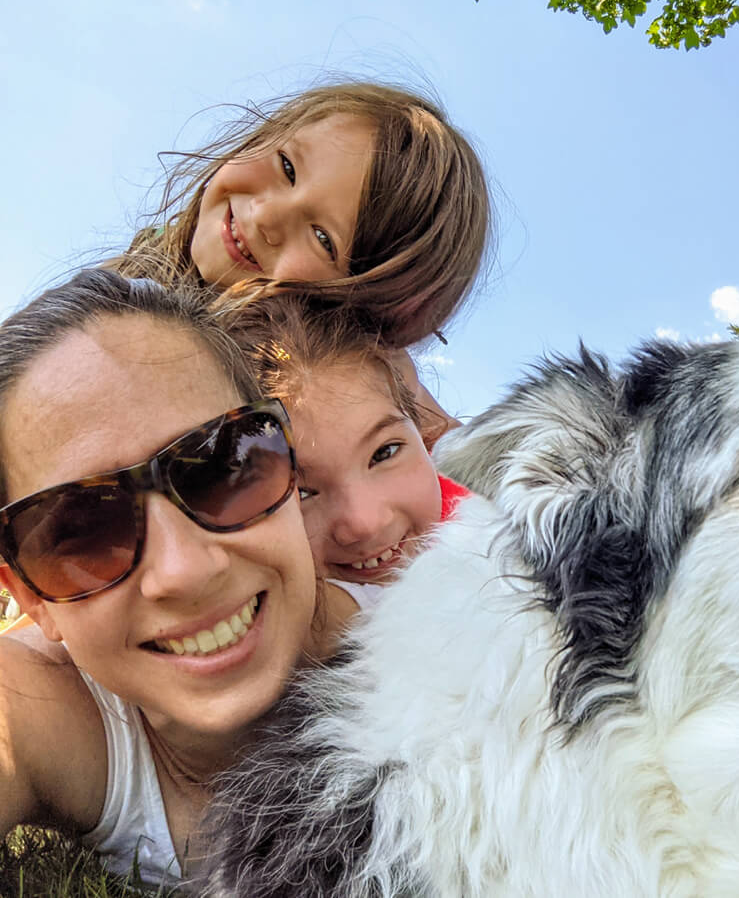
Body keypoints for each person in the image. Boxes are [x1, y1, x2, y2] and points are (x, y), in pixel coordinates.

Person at [0, 270, 371, 884]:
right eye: (84, 529)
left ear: (290, 468)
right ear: (32, 601)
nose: (185, 571)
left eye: (223, 467)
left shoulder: (432, 641)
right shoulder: (37, 702)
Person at [111, 80, 492, 438]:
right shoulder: (113, 290)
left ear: (364, 307)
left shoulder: (355, 395)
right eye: (287, 167)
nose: (264, 217)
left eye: (323, 238)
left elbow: (460, 456)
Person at [223, 296, 469, 583]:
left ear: (421, 430)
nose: (363, 523)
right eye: (300, 493)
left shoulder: (497, 521)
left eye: (384, 453)